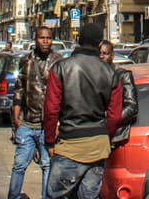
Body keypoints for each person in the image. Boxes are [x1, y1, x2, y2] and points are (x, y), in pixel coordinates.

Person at [43, 24, 123, 199]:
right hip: (97, 148)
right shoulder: (110, 73)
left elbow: (50, 110)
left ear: (78, 40)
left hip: (69, 145)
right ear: (99, 44)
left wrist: (49, 141)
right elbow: (115, 116)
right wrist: (104, 137)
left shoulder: (60, 68)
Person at [9, 25, 61, 199]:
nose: (45, 41)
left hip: (49, 125)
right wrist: (16, 116)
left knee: (47, 165)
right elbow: (19, 88)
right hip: (28, 123)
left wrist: (59, 124)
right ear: (35, 39)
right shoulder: (26, 60)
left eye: (48, 38)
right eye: (41, 38)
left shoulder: (58, 61)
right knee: (19, 165)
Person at [98, 40, 138, 148]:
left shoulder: (123, 75)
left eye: (105, 53)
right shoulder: (93, 75)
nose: (102, 56)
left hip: (116, 135)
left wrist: (111, 121)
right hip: (96, 135)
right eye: (99, 53)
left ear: (112, 55)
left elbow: (132, 106)